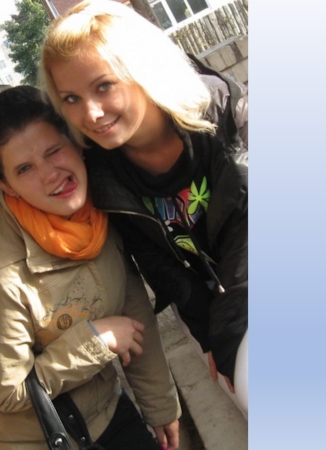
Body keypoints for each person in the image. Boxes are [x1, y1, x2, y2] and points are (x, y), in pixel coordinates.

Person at [40, 0, 248, 415]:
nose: (91, 114)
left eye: (104, 86)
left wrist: (226, 333)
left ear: (143, 69)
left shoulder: (228, 119)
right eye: (71, 98)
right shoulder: (102, 173)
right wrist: (207, 332)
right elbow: (157, 262)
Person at [0, 85, 181, 450]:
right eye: (24, 168)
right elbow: (10, 392)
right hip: (30, 440)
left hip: (105, 410)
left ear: (75, 141)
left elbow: (133, 313)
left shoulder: (99, 211)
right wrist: (95, 341)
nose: (50, 174)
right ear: (6, 184)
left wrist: (161, 406)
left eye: (54, 150)